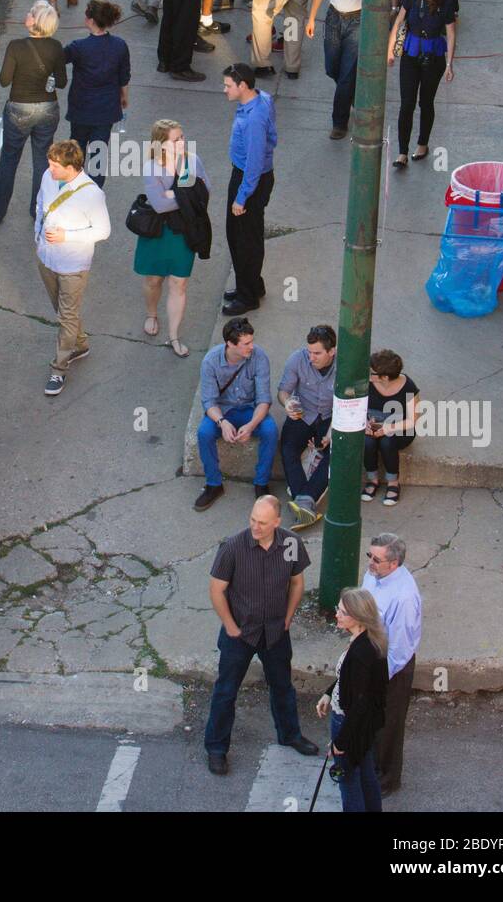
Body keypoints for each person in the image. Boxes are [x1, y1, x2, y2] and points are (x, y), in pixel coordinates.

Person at [204, 495, 318, 775]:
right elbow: (216, 590)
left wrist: (289, 617)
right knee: (226, 691)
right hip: (241, 632)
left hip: (276, 631)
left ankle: (290, 734)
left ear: (277, 523)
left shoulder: (290, 543)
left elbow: (297, 582)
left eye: (263, 523)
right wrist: (230, 625)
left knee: (282, 686)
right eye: (253, 520)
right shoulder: (233, 547)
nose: (255, 526)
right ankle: (216, 748)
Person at [35, 139, 111, 397]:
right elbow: (40, 204)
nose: (49, 168)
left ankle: (58, 369)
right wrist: (38, 237)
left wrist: (67, 236)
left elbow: (103, 231)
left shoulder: (92, 194)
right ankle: (80, 344)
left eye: (55, 165)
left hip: (73, 265)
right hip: (46, 257)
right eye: (50, 163)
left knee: (66, 316)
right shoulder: (48, 176)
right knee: (62, 311)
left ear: (71, 167)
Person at [0, 0, 67, 225]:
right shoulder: (57, 47)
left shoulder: (15, 46)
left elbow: (4, 81)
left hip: (19, 109)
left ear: (36, 21)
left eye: (31, 12)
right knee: (42, 161)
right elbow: (61, 82)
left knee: (9, 160)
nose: (27, 13)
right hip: (48, 110)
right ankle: (38, 209)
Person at [135, 119, 210, 358]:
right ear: (161, 144)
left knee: (179, 284)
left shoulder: (192, 160)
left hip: (183, 232)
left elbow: (205, 192)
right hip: (158, 232)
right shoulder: (152, 167)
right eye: (176, 139)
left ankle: (174, 336)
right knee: (153, 281)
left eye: (182, 136)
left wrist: (175, 194)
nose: (182, 141)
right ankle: (151, 313)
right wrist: (187, 195)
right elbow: (159, 205)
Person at [316, 588, 388, 812]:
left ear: (358, 618)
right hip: (364, 727)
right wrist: (329, 692)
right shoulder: (367, 642)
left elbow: (358, 704)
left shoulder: (359, 654)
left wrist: (340, 742)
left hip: (347, 724)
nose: (337, 614)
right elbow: (349, 681)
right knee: (366, 775)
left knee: (347, 781)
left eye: (342, 611)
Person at [195, 318, 279, 508]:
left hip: (250, 409)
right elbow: (209, 401)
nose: (252, 346)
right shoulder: (210, 361)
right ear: (230, 344)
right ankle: (214, 484)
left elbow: (264, 399)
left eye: (252, 341)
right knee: (204, 433)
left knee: (270, 430)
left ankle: (261, 483)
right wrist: (222, 422)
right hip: (223, 410)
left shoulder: (259, 357)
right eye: (246, 343)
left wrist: (251, 425)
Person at [362, 534, 422, 795]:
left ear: (394, 564)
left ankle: (387, 779)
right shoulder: (373, 575)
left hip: (391, 666)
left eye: (376, 559)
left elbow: (400, 648)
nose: (370, 562)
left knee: (388, 725)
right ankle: (368, 766)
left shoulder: (404, 597)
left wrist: (378, 677)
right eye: (369, 555)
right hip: (370, 653)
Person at [388, 0, 456, 169]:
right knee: (406, 103)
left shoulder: (445, 1)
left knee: (426, 102)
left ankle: (422, 144)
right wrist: (390, 50)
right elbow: (399, 21)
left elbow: (451, 33)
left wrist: (449, 64)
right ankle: (402, 152)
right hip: (410, 52)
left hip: (433, 56)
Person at [222, 64, 277, 314]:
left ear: (242, 85)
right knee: (248, 236)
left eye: (228, 85)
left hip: (248, 179)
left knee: (242, 239)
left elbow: (253, 164)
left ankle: (247, 296)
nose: (224, 90)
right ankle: (251, 285)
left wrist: (241, 197)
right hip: (255, 177)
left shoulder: (253, 118)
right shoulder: (262, 98)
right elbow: (272, 137)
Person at [306, 0, 366, 138]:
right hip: (334, 17)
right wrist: (312, 17)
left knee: (347, 73)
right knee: (332, 67)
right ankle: (351, 94)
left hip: (358, 20)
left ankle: (339, 122)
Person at [64, 0, 131, 187]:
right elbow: (124, 76)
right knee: (99, 154)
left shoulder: (78, 47)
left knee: (76, 150)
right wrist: (124, 97)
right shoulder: (119, 45)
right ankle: (94, 194)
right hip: (106, 109)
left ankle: (74, 188)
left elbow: (59, 58)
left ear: (91, 20)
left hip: (81, 108)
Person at [278, 324, 337, 529]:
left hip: (332, 418)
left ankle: (304, 499)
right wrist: (287, 404)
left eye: (317, 353)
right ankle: (305, 501)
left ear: (332, 351)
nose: (311, 357)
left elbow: (348, 407)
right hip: (303, 414)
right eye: (309, 352)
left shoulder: (345, 366)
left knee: (336, 454)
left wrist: (331, 433)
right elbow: (283, 391)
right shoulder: (297, 358)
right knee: (287, 447)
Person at [362, 351, 420, 506]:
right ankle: (372, 479)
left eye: (372, 373)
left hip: (400, 428)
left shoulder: (408, 387)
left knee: (387, 442)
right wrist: (364, 423)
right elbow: (357, 407)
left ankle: (393, 482)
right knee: (368, 442)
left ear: (385, 377)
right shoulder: (368, 383)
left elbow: (412, 420)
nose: (369, 374)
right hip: (373, 425)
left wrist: (388, 427)